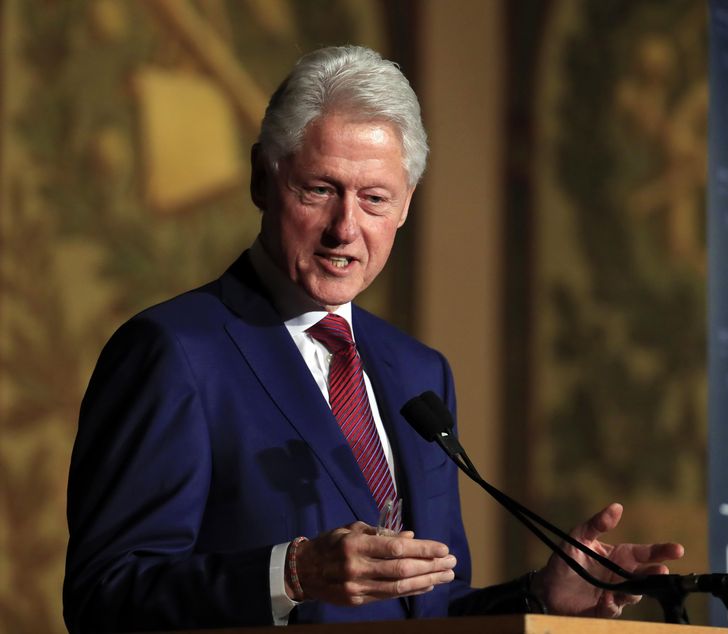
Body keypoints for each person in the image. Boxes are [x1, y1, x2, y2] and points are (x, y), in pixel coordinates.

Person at [63, 45, 683, 633]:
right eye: (320, 189)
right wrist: (294, 574)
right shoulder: (172, 352)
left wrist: (542, 596)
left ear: (407, 205)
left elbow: (425, 615)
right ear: (261, 179)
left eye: (374, 198)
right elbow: (104, 595)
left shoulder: (420, 373)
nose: (345, 229)